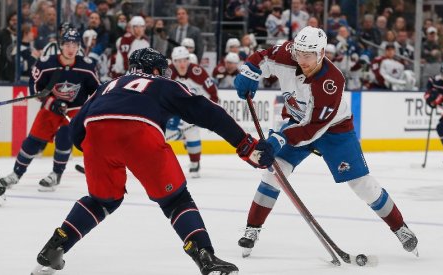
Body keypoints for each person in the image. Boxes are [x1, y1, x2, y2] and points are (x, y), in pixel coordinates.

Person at [30, 47, 274, 275]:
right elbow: (208, 112)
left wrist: (102, 152)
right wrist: (246, 145)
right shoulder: (162, 84)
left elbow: (76, 132)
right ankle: (204, 255)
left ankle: (57, 244)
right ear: (156, 70)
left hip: (95, 134)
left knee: (100, 201)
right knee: (176, 200)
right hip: (141, 134)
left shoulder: (107, 86)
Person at [233, 26, 419, 258]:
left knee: (363, 185)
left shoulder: (331, 82)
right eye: (299, 53)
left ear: (321, 53)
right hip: (296, 122)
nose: (302, 59)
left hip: (333, 130)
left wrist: (278, 139)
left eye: (308, 55)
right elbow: (261, 57)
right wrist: (249, 72)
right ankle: (252, 228)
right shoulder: (289, 53)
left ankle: (399, 227)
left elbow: (312, 129)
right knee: (273, 174)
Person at [0, 29, 99, 199]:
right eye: (67, 44)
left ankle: (56, 175)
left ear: (79, 47)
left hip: (74, 110)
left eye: (74, 44)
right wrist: (52, 102)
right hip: (50, 108)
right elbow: (35, 89)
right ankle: (16, 174)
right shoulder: (46, 63)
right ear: (61, 45)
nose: (71, 48)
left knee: (65, 138)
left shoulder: (87, 66)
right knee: (33, 141)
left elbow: (96, 91)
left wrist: (89, 110)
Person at [167, 46, 219, 178]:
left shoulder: (198, 72)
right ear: (173, 61)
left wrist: (210, 111)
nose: (182, 64)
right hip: (173, 108)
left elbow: (212, 93)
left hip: (194, 109)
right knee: (166, 132)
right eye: (178, 61)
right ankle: (181, 137)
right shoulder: (167, 73)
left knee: (192, 133)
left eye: (184, 60)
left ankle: (195, 163)